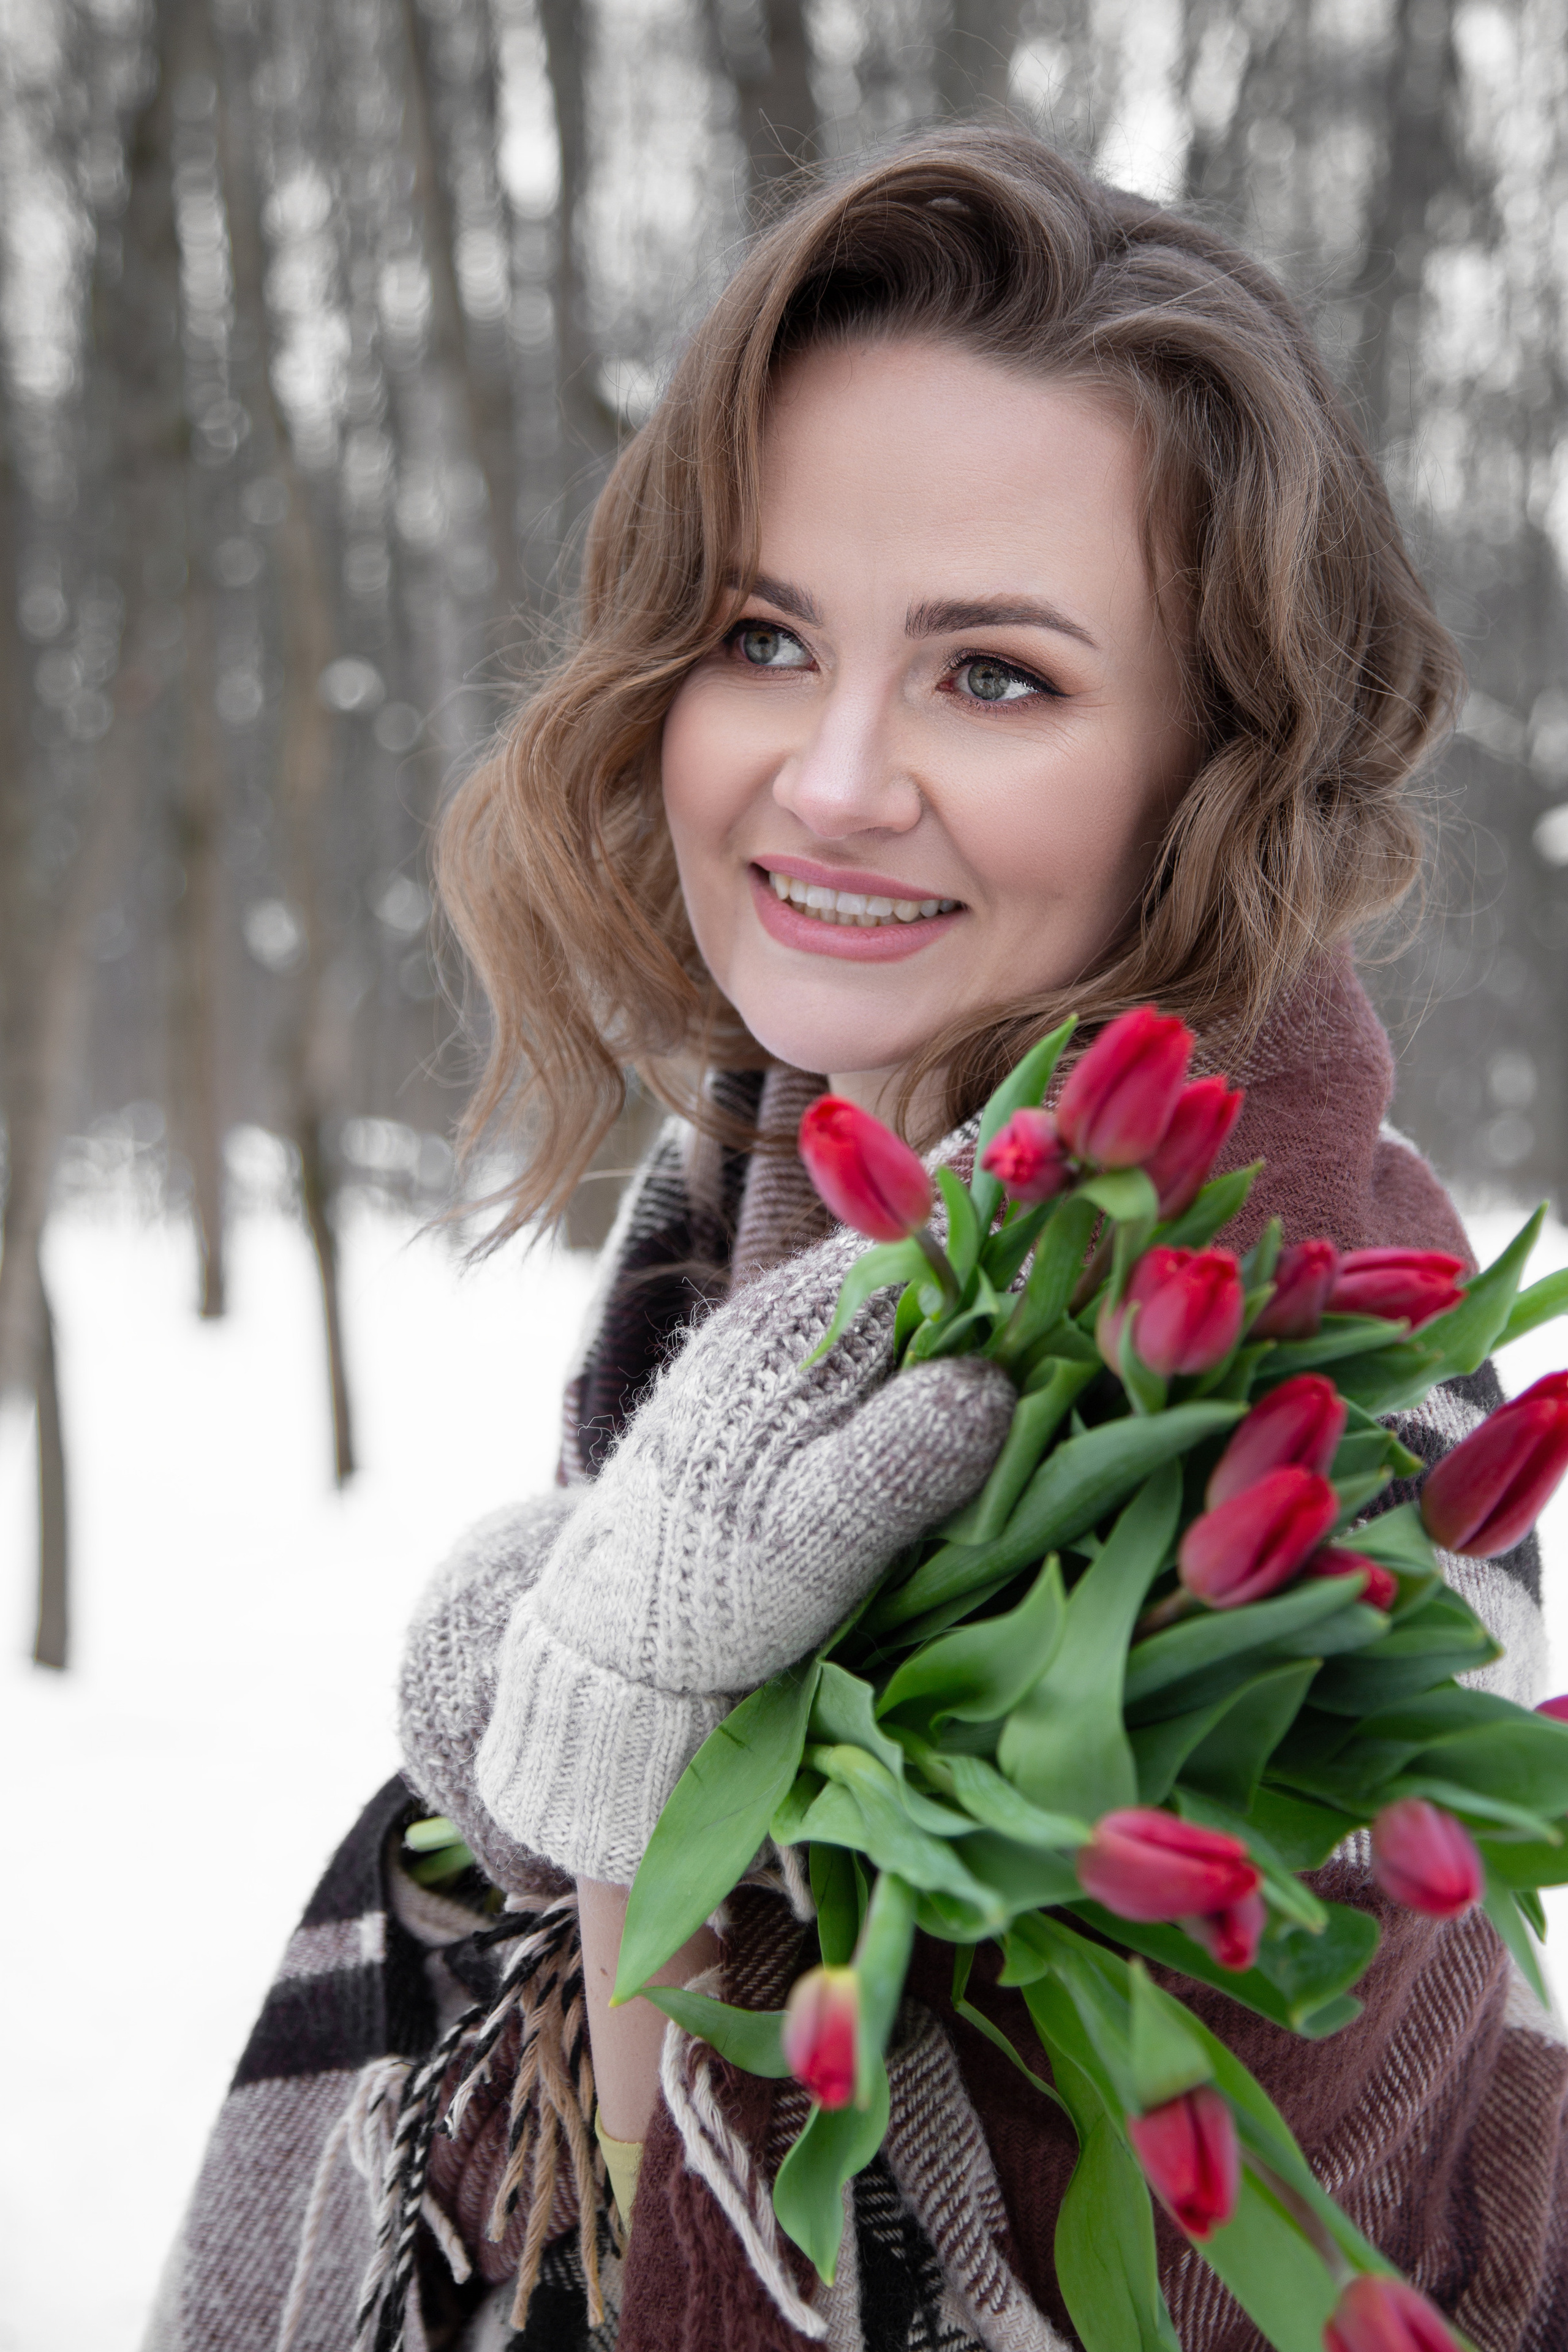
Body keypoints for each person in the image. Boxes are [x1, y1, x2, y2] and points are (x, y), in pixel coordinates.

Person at [145, 129, 1566, 2352]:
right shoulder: (759, 1207)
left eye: (993, 675)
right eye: (765, 636)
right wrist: (527, 1743)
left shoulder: (1314, 1484)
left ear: (1221, 768)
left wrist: (635, 1810)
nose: (824, 777)